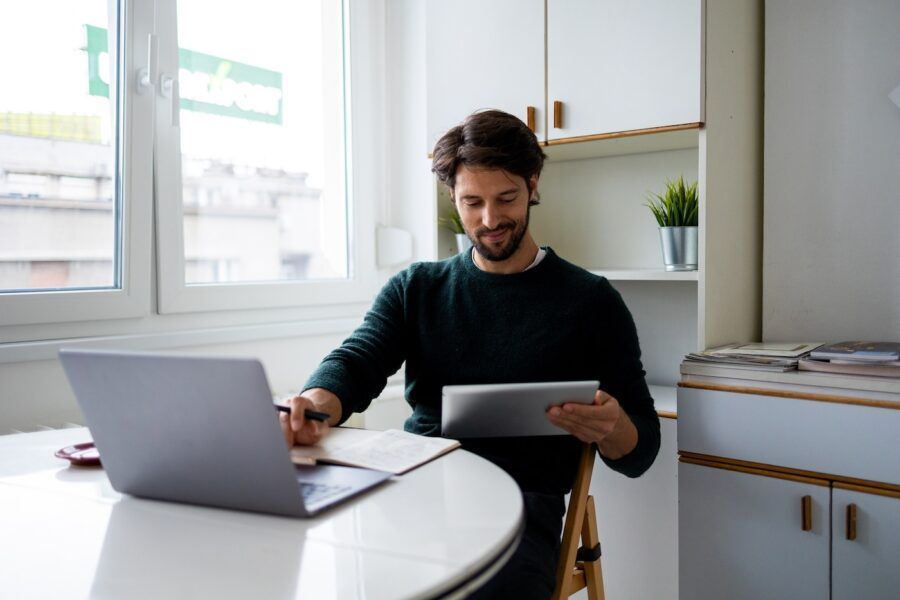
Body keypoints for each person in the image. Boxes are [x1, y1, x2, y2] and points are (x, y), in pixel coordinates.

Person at [280, 109, 660, 599]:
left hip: (522, 506)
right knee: (332, 570)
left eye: (506, 199)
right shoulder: (417, 287)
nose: (491, 220)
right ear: (452, 198)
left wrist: (613, 428)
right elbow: (356, 361)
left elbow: (641, 449)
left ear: (533, 184)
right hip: (416, 488)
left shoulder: (589, 301)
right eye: (472, 202)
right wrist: (313, 405)